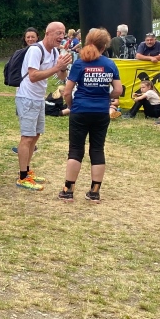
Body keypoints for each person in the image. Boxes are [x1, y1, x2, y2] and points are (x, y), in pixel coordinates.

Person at [57, 28, 122, 203]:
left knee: (75, 150)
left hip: (80, 110)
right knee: (97, 149)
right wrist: (104, 97)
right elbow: (118, 90)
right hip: (101, 112)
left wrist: (71, 106)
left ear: (87, 42)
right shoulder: (110, 64)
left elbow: (67, 91)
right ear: (105, 45)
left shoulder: (80, 63)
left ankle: (68, 190)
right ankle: (94, 192)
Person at [15, 22, 72, 191]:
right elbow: (33, 76)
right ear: (47, 33)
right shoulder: (35, 50)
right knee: (27, 137)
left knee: (36, 135)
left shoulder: (54, 51)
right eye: (58, 33)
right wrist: (57, 67)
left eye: (63, 33)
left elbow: (60, 76)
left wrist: (63, 67)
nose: (61, 36)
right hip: (27, 98)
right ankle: (22, 177)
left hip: (39, 98)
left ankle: (27, 171)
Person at [11, 27, 41, 154]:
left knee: (34, 127)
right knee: (26, 123)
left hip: (35, 93)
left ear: (37, 37)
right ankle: (26, 146)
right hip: (23, 92)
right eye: (28, 37)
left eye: (32, 37)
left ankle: (29, 146)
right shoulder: (22, 53)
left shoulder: (39, 51)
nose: (30, 39)